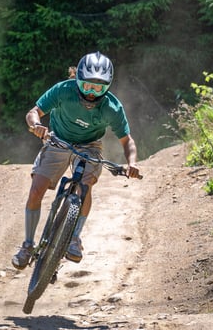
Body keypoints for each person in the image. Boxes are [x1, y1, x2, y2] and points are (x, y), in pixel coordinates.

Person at [12, 52, 140, 269]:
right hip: (57, 141)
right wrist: (36, 126)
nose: (91, 93)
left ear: (107, 87)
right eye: (87, 86)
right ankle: (27, 245)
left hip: (89, 146)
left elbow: (127, 140)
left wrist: (133, 162)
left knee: (85, 187)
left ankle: (74, 238)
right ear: (78, 80)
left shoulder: (112, 107)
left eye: (99, 88)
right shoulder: (63, 90)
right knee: (36, 191)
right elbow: (34, 112)